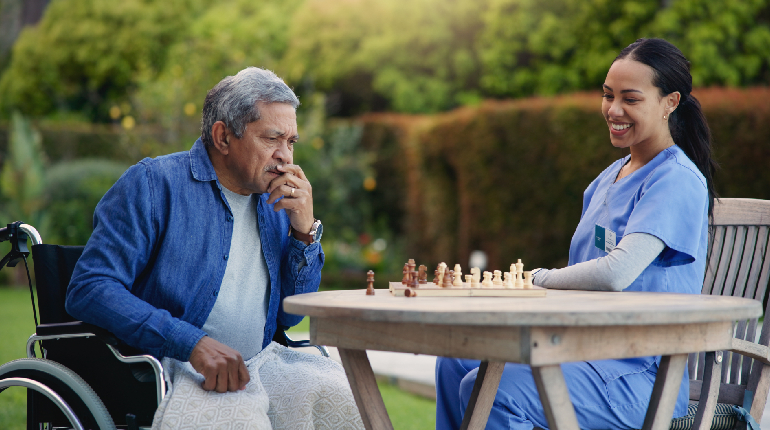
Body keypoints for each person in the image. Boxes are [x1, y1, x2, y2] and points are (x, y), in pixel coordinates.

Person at [435, 38, 718, 429]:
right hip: (578, 352)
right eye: (608, 95)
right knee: (454, 361)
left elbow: (614, 273)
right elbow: (582, 273)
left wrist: (534, 279)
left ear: (670, 102)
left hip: (642, 375)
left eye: (630, 99)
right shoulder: (606, 180)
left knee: (500, 392)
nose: (614, 110)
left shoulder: (676, 179)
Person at [66, 67, 363, 429]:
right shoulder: (153, 184)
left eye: (291, 142)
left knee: (343, 398)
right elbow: (90, 287)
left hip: (262, 363)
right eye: (272, 139)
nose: (286, 156)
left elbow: (289, 317)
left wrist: (305, 231)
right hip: (175, 368)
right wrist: (192, 343)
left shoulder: (275, 201)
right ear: (223, 137)